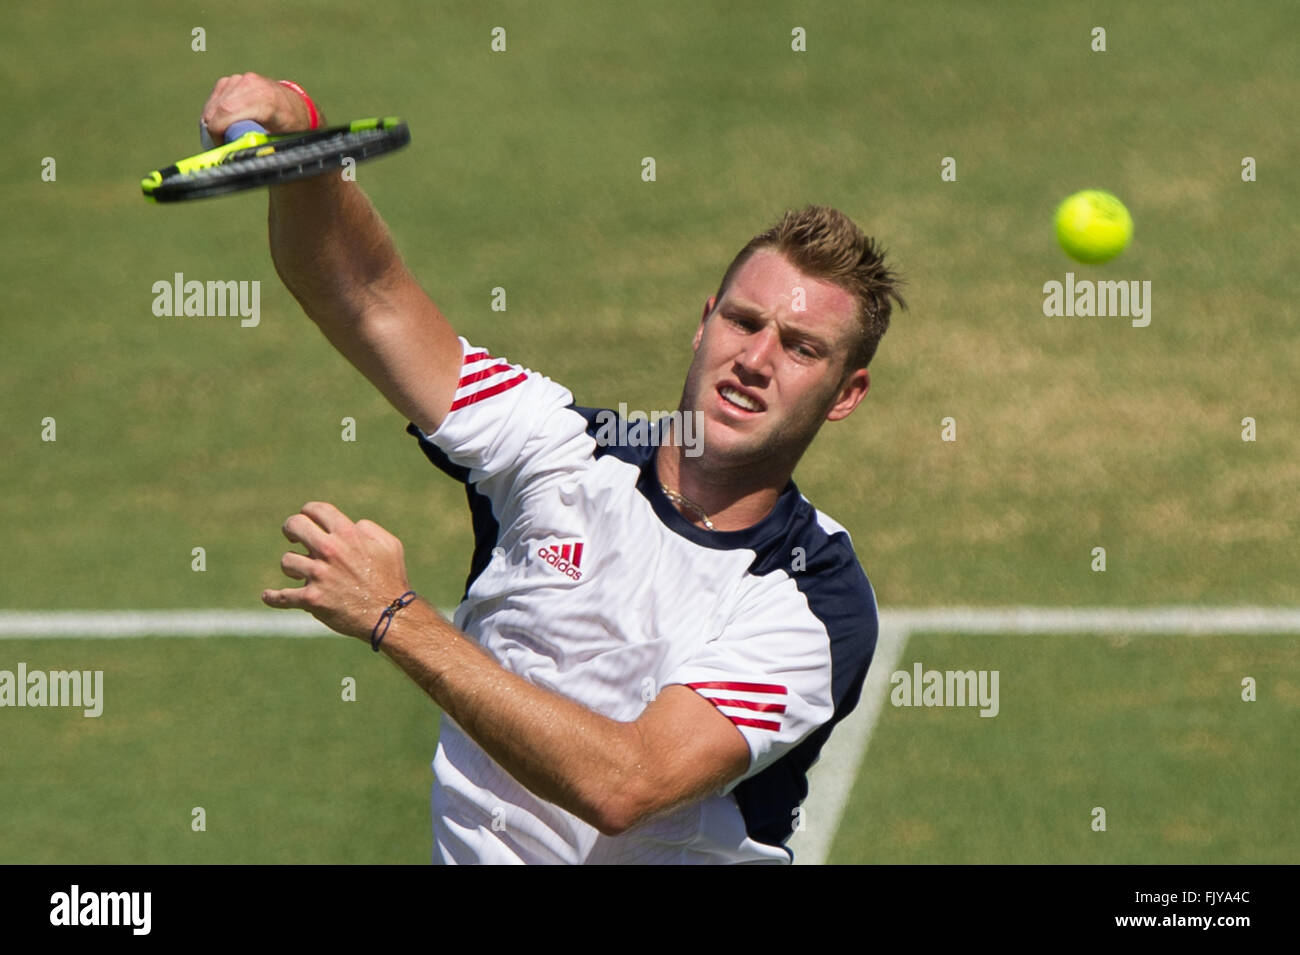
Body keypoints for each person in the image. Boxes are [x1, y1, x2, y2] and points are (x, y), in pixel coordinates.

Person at [205, 73, 906, 863]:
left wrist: (398, 616)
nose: (756, 359)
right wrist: (304, 139)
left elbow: (628, 785)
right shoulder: (556, 444)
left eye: (801, 348)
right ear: (704, 322)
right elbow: (367, 298)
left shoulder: (816, 595)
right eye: (744, 322)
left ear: (846, 394)